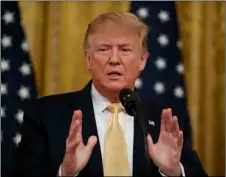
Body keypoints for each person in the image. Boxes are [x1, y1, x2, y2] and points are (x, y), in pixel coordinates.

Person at [12, 12, 207, 177]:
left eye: (125, 49)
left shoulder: (169, 121)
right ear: (88, 59)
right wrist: (65, 172)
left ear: (142, 60)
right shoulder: (45, 115)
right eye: (104, 49)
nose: (114, 59)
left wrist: (173, 172)